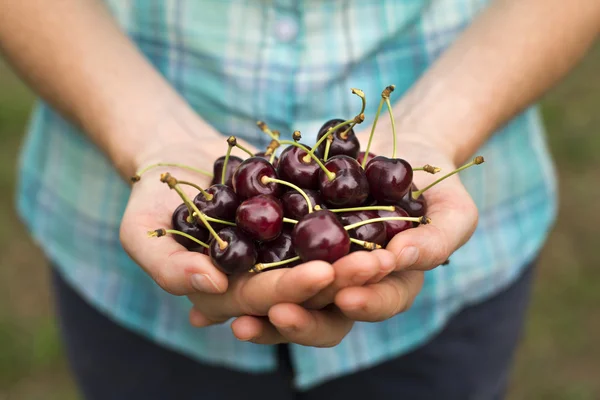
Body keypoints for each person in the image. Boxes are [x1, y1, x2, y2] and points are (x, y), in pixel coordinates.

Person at [1, 0, 598, 398]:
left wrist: (445, 124)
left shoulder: (373, 194)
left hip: (456, 297)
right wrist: (143, 132)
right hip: (121, 280)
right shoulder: (245, 206)